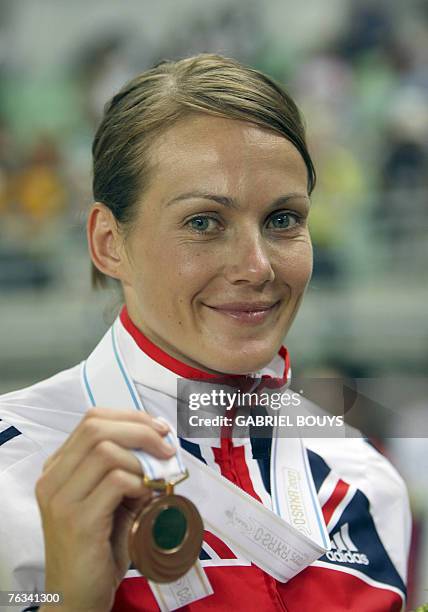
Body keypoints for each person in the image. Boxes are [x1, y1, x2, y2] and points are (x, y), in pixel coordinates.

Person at [0, 54, 411, 612]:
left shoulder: (366, 482)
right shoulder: (13, 471)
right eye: (203, 222)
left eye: (283, 219)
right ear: (107, 243)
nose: (257, 265)